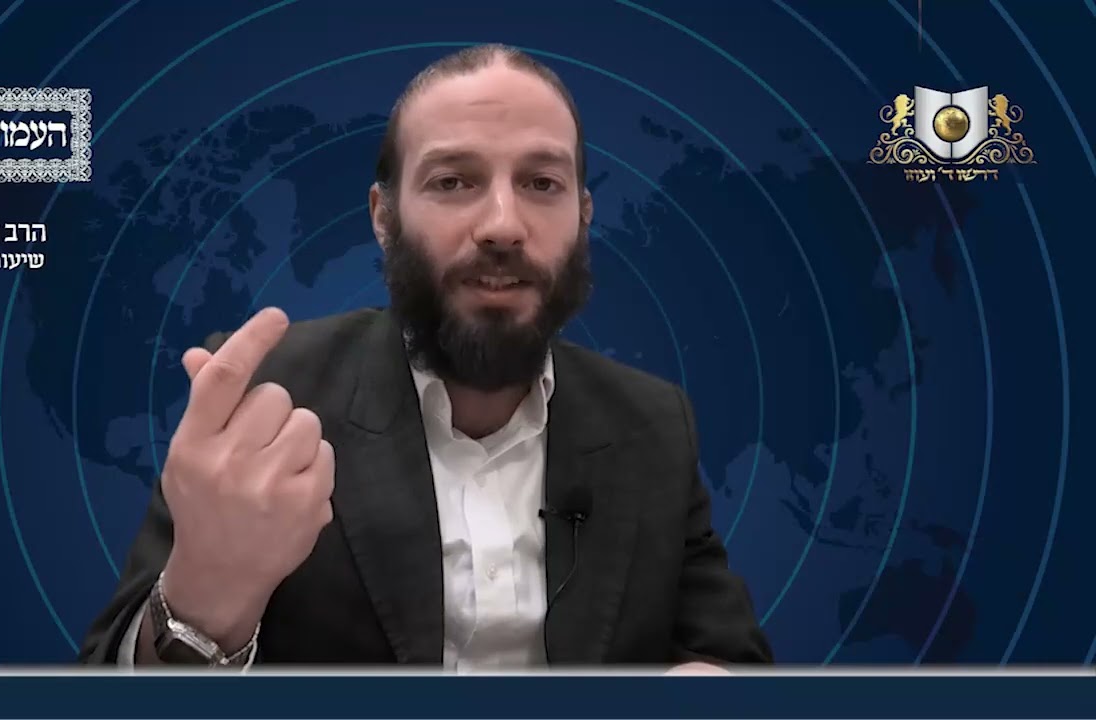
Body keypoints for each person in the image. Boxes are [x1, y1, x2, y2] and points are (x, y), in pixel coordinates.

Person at [79, 43, 773, 672]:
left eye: (541, 183)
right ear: (383, 217)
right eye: (452, 182)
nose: (502, 225)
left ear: (583, 215)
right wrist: (205, 602)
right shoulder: (265, 401)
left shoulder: (655, 425)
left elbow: (730, 657)